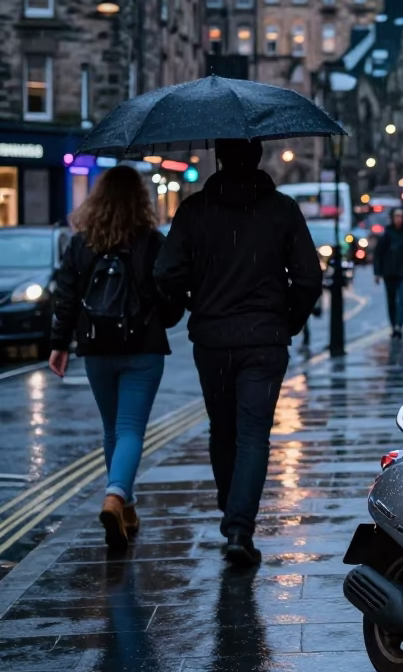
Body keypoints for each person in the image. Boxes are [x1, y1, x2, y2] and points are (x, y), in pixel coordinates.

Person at [154, 138, 322, 567]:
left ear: (220, 158)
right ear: (259, 158)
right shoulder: (282, 209)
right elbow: (308, 278)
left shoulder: (194, 211)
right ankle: (239, 526)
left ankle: (233, 516)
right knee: (252, 436)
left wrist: (197, 300)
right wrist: (288, 320)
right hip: (265, 339)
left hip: (213, 341)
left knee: (222, 430)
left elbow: (166, 272)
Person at [49, 165, 184, 550]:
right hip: (142, 348)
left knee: (112, 429)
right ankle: (115, 496)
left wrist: (59, 345)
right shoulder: (151, 241)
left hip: (96, 348)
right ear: (140, 200)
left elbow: (66, 297)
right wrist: (164, 319)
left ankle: (126, 505)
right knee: (130, 430)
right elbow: (169, 294)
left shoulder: (82, 242)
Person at [374, 206, 403, 338]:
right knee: (392, 300)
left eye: (401, 216)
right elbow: (379, 254)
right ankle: (394, 325)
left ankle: (399, 325)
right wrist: (377, 273)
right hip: (389, 272)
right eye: (396, 216)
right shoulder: (386, 235)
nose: (399, 219)